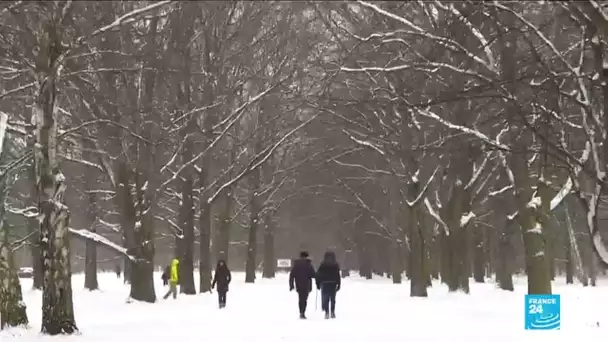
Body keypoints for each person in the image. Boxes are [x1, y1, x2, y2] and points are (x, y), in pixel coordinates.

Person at [289, 251, 316, 319]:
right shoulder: (308, 264)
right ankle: (302, 312)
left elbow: (292, 275)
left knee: (301, 298)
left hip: (298, 284)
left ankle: (301, 312)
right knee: (304, 299)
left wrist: (291, 285)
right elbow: (313, 275)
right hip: (307, 284)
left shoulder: (296, 264)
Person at [316, 251, 341, 319]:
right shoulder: (335, 264)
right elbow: (337, 275)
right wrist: (339, 284)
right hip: (333, 282)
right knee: (332, 298)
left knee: (326, 298)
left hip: (325, 283)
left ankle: (327, 312)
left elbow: (318, 275)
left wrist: (317, 283)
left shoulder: (323, 264)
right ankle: (332, 312)